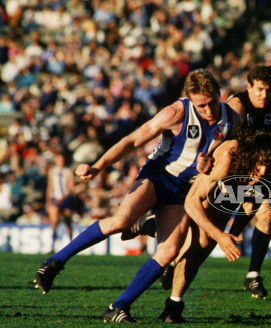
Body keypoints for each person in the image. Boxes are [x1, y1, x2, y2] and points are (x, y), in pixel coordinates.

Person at [34, 69, 242, 306]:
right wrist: (98, 167)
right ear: (191, 100)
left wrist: (212, 164)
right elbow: (132, 140)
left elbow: (231, 155)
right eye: (201, 105)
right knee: (119, 221)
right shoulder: (174, 113)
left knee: (169, 251)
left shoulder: (233, 120)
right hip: (158, 176)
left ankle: (119, 307)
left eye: (212, 102)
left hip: (184, 190)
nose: (207, 110)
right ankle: (54, 262)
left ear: (219, 93)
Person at [107, 130, 271, 323]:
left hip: (228, 193)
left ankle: (172, 306)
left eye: (267, 168)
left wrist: (233, 233)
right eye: (258, 166)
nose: (263, 173)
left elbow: (251, 204)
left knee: (200, 246)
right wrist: (220, 235)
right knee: (199, 240)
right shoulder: (228, 157)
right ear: (249, 157)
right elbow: (192, 202)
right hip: (194, 189)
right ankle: (150, 226)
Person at [224, 64, 271, 298]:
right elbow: (227, 144)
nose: (265, 95)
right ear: (249, 87)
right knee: (206, 226)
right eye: (261, 89)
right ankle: (173, 261)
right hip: (228, 171)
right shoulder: (237, 106)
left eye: (270, 90)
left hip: (257, 172)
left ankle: (253, 275)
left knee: (266, 212)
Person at [45, 150, 75, 252]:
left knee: (68, 221)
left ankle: (71, 245)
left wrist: (63, 197)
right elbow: (50, 186)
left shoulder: (68, 171)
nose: (60, 161)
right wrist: (48, 201)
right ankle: (52, 245)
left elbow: (71, 187)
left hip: (65, 198)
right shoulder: (52, 171)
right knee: (54, 222)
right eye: (58, 159)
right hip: (55, 198)